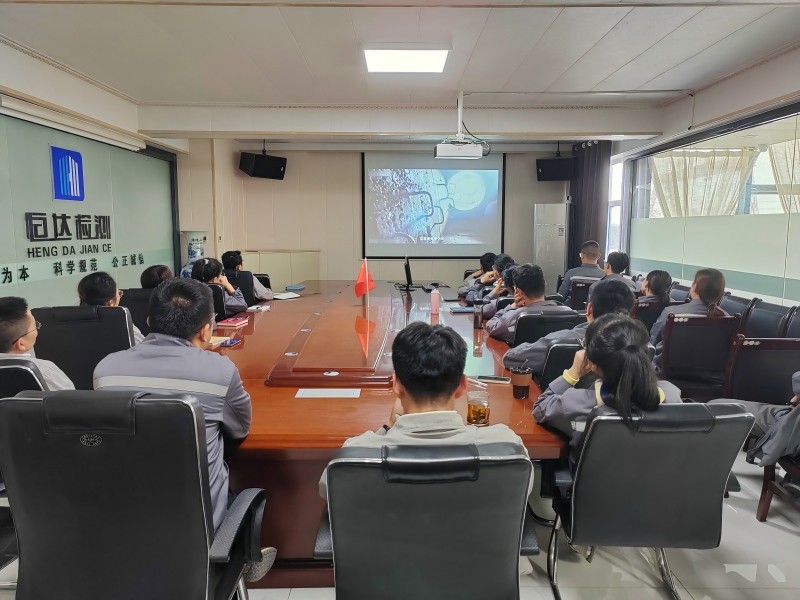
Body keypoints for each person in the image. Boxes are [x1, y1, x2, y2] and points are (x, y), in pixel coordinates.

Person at [93, 278, 252, 532]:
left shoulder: (105, 369)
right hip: (199, 526)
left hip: (124, 517)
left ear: (149, 322)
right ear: (206, 331)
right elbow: (240, 429)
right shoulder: (220, 371)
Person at [318, 321, 533, 498]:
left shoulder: (353, 457)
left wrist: (388, 428)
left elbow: (329, 492)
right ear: (462, 386)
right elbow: (523, 490)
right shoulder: (507, 448)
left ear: (396, 385)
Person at [534, 314, 681, 455]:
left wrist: (572, 374)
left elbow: (541, 408)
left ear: (592, 363)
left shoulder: (575, 403)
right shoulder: (672, 395)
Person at [504, 278, 636, 373]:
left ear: (589, 309)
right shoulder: (639, 345)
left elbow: (511, 358)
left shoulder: (562, 340)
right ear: (630, 312)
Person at [485, 263, 573, 344]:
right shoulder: (569, 312)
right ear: (545, 284)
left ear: (517, 291)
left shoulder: (516, 316)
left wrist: (512, 306)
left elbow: (491, 326)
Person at [0, 296, 74, 391]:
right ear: (21, 344)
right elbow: (71, 398)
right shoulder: (44, 370)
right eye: (35, 326)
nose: (37, 331)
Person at [649, 268, 728, 346]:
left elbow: (653, 342)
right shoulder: (727, 318)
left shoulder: (670, 313)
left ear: (694, 287)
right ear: (721, 293)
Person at [78, 272, 145, 344]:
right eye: (119, 293)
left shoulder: (72, 324)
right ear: (111, 303)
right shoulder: (125, 327)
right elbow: (143, 348)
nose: (120, 296)